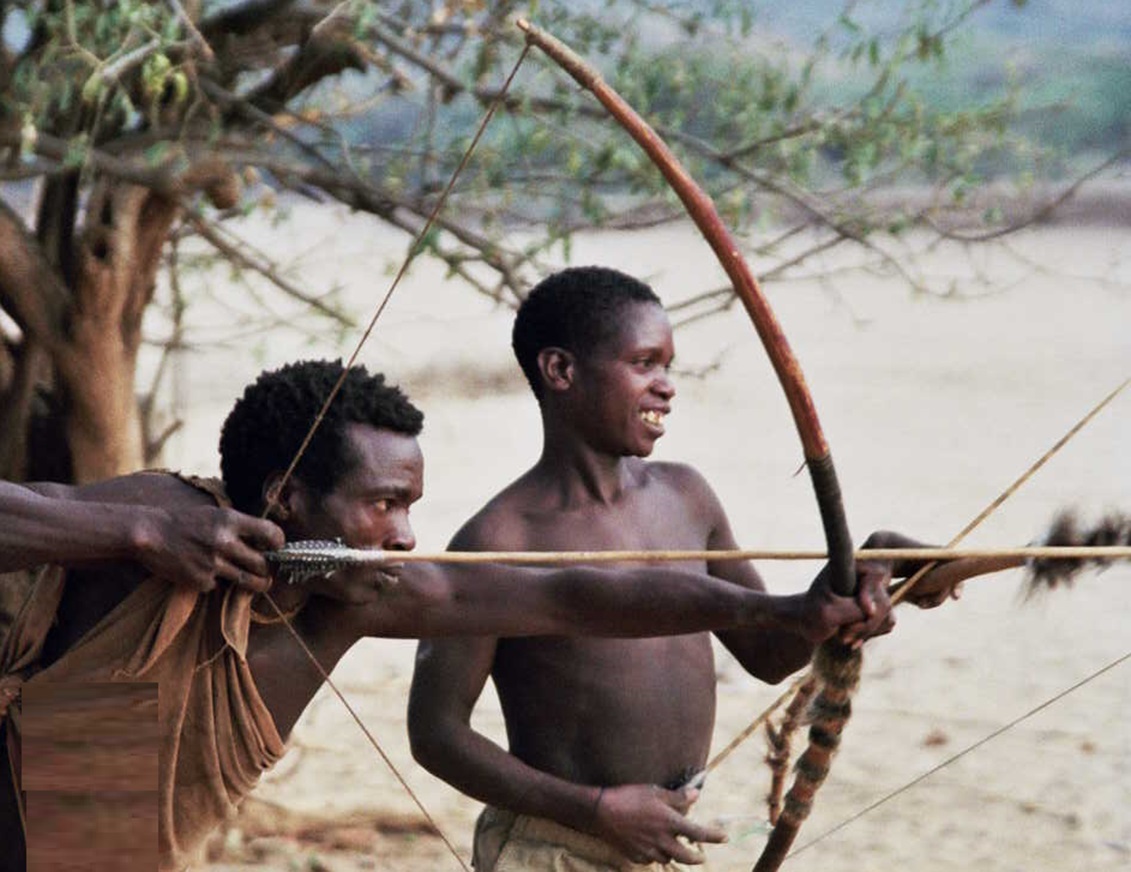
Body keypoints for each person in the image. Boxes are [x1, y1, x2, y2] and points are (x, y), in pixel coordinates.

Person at [0, 358, 886, 872]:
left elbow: (570, 594)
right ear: (285, 495)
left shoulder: (355, 597)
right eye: (382, 504)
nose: (405, 534)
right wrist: (138, 529)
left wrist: (780, 606)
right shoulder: (157, 518)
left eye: (410, 506)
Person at [407, 267, 932, 870]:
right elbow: (436, 733)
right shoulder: (499, 540)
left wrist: (850, 583)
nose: (666, 387)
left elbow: (768, 653)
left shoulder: (686, 496)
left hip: (659, 839)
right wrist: (596, 809)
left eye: (668, 367)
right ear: (561, 371)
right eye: (643, 363)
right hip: (556, 846)